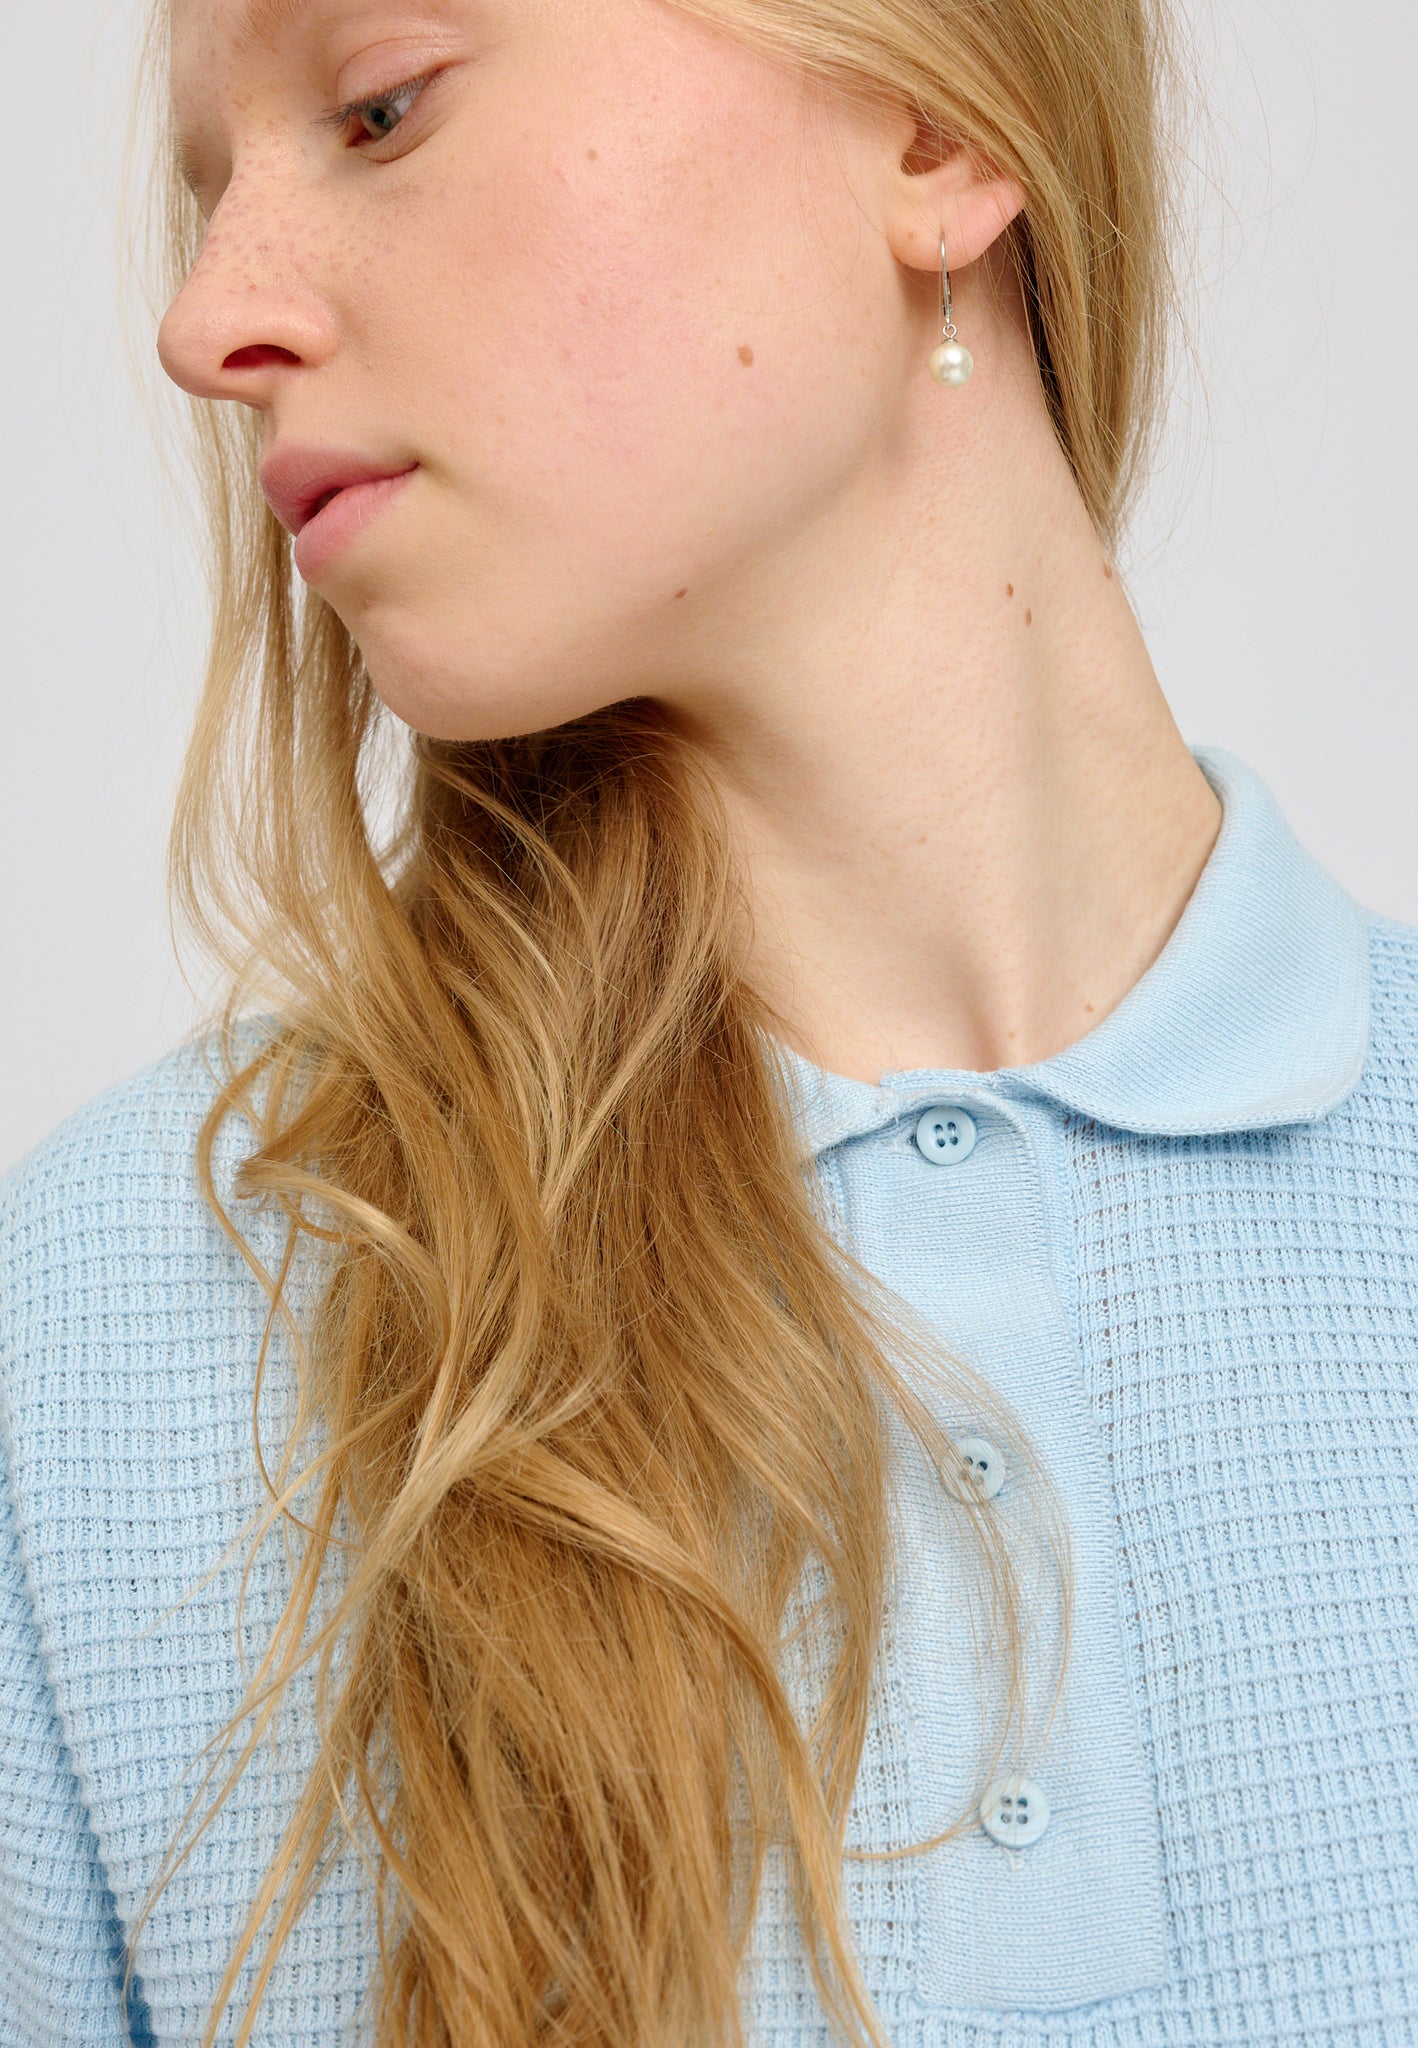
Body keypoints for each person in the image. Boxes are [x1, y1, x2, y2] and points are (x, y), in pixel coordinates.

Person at [2, 0, 1416, 2040]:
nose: (204, 319)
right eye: (213, 195)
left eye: (380, 110)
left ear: (931, 132)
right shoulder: (97, 1343)